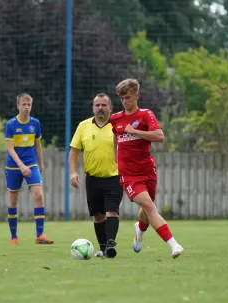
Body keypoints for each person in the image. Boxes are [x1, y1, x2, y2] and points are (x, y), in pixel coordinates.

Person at [110, 78, 184, 259]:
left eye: (127, 97)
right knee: (150, 206)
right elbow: (115, 138)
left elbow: (160, 136)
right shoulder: (116, 119)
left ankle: (139, 231)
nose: (125, 101)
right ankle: (174, 245)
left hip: (147, 170)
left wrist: (135, 132)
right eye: (121, 98)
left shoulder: (145, 115)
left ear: (136, 96)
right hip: (129, 174)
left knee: (146, 210)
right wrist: (116, 159)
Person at [69, 93, 122, 258]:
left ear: (110, 108)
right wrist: (72, 172)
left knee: (112, 211)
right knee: (98, 215)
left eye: (104, 105)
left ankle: (111, 244)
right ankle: (104, 248)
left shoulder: (118, 126)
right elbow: (74, 151)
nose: (100, 108)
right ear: (93, 108)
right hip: (92, 178)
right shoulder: (83, 126)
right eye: (97, 105)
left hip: (115, 177)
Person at [4, 93, 54, 245]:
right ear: (17, 106)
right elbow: (10, 149)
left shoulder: (35, 123)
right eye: (24, 104)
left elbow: (37, 145)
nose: (26, 107)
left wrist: (40, 163)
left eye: (29, 105)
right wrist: (21, 166)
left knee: (38, 195)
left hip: (31, 162)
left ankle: (40, 236)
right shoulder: (11, 124)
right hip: (14, 165)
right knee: (13, 199)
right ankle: (14, 236)